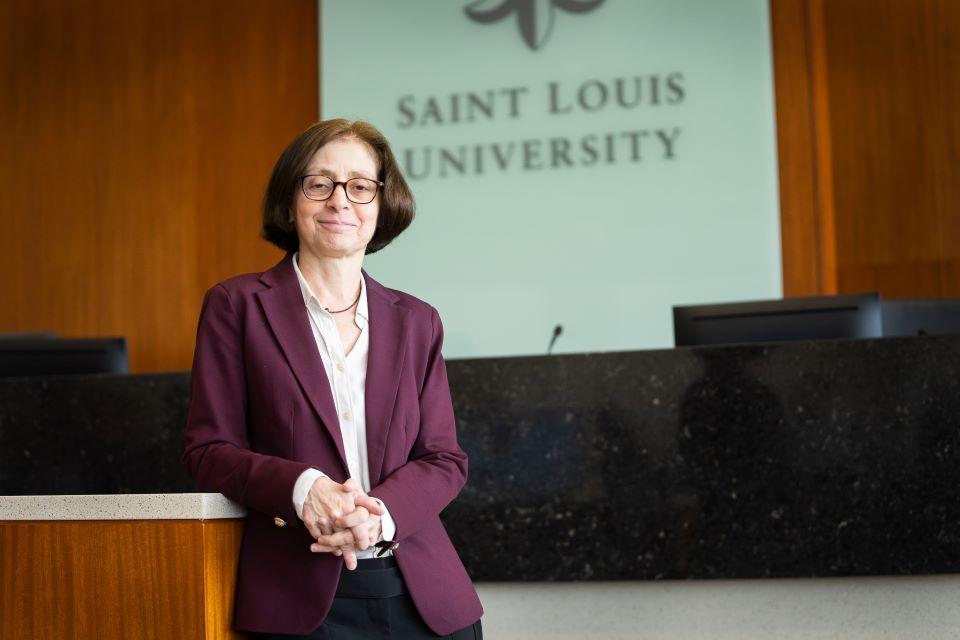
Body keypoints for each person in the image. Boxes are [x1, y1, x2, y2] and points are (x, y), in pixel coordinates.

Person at [182, 119, 483, 638]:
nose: (340, 201)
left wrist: (381, 515)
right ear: (291, 199)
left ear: (383, 204)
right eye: (319, 183)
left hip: (419, 597)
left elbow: (444, 459)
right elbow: (208, 452)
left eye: (360, 186)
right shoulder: (236, 307)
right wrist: (305, 489)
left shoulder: (418, 321)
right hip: (297, 601)